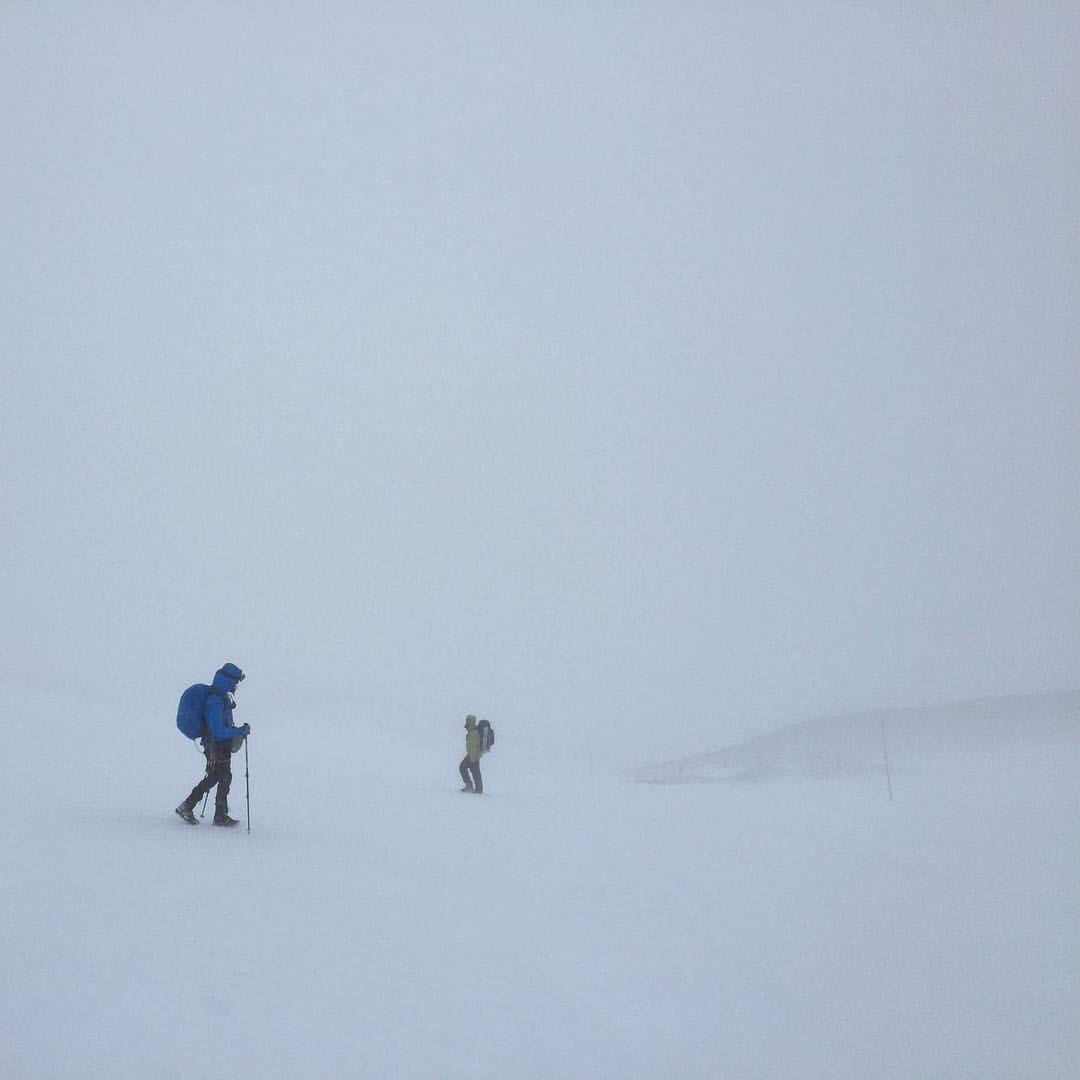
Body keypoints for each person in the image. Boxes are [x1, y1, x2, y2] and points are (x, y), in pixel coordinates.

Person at [175, 662, 250, 826]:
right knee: (221, 777)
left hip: (220, 745)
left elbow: (223, 727)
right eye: (236, 681)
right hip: (216, 745)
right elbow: (218, 730)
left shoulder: (222, 698)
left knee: (219, 776)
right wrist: (239, 732)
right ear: (228, 681)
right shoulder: (215, 701)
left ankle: (196, 808)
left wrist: (237, 731)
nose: (237, 685)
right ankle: (214, 814)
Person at [459, 714, 483, 794]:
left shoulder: (473, 733)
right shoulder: (472, 731)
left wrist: (472, 759)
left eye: (467, 721)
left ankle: (474, 788)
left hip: (473, 755)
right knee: (474, 771)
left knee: (465, 768)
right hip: (473, 755)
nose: (466, 722)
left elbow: (473, 746)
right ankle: (477, 788)